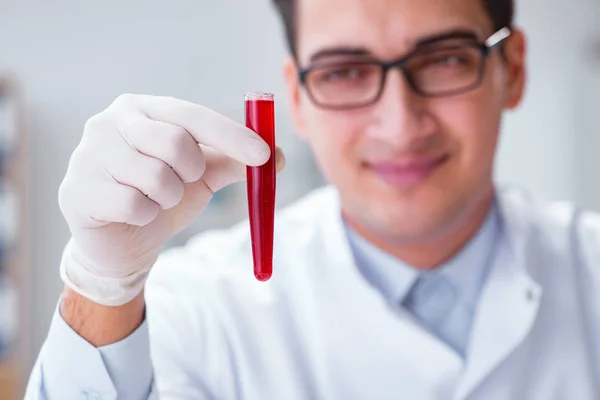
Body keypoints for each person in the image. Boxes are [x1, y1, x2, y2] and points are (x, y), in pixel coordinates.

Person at [25, 0, 600, 398]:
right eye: (345, 71)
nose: (400, 126)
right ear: (297, 98)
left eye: (445, 58)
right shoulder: (196, 306)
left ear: (514, 68)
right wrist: (102, 286)